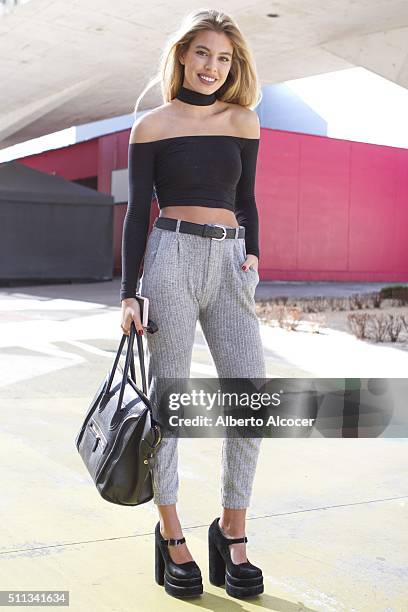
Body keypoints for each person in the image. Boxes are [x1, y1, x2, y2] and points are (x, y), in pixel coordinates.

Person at [120, 8, 266, 601]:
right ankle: (172, 532)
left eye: (224, 58)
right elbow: (136, 214)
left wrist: (253, 254)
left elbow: (248, 198)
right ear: (183, 55)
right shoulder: (151, 127)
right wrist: (129, 292)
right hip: (170, 257)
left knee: (250, 397)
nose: (212, 67)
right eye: (203, 53)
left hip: (230, 262)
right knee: (170, 401)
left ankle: (232, 531)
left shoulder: (243, 120)